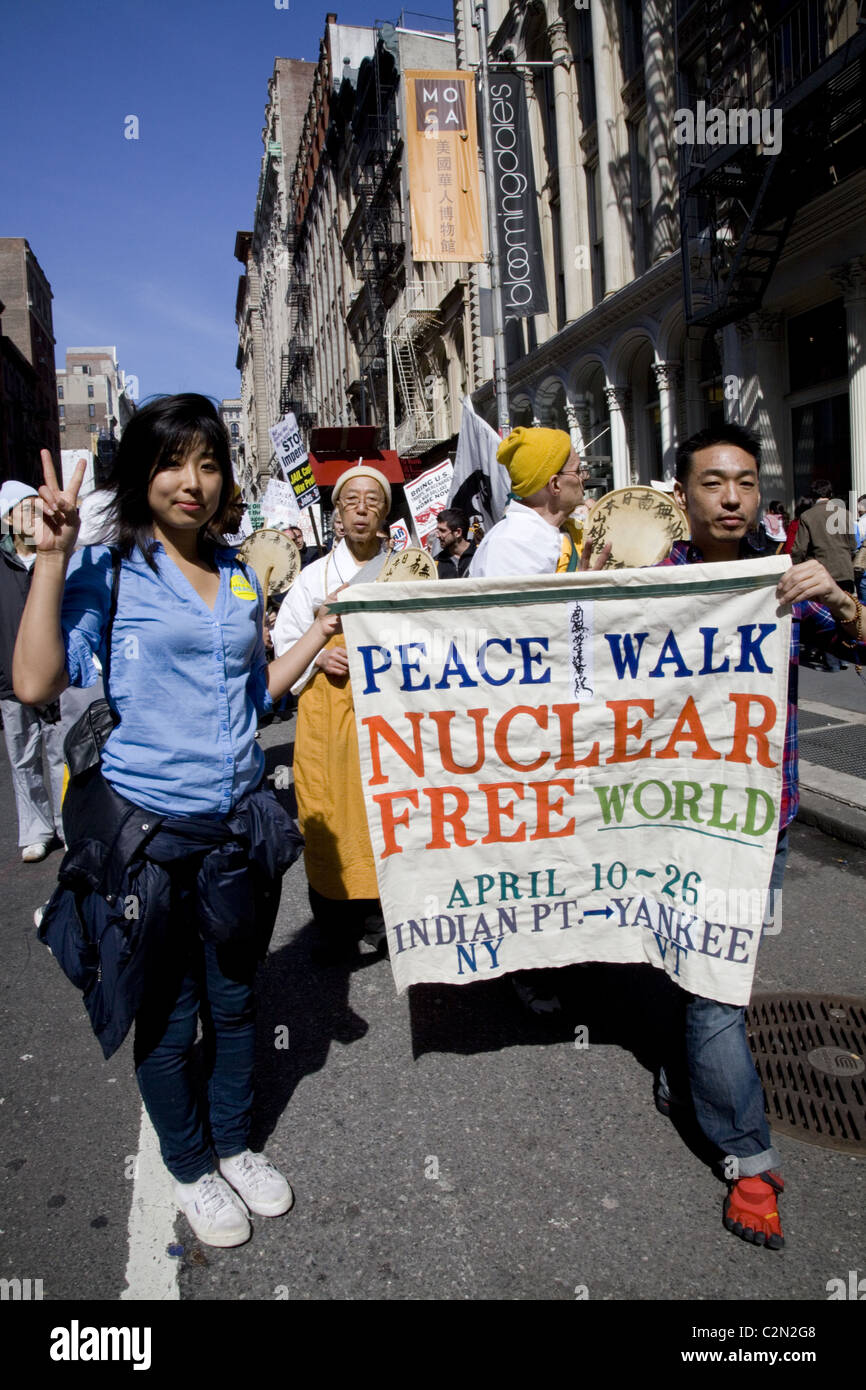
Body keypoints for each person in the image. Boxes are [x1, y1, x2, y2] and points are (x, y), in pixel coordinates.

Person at [13, 394, 340, 1250]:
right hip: (148, 841)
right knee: (166, 1014)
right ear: (139, 475)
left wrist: (315, 640)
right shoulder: (109, 572)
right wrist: (51, 561)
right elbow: (37, 684)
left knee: (235, 1003)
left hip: (235, 831)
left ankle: (233, 1143)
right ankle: (189, 1165)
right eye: (172, 462)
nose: (193, 482)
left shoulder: (236, 573)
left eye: (208, 462)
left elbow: (251, 696)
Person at [658, 423, 866, 1249]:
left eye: (746, 481)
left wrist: (843, 597)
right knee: (692, 970)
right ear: (683, 496)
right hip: (657, 819)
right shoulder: (640, 583)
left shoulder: (786, 583)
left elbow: (859, 641)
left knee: (718, 989)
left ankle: (746, 1158)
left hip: (754, 822)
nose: (734, 497)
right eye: (714, 482)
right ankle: (715, 1104)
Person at [468, 427, 609, 1014]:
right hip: (522, 729)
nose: (584, 473)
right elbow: (521, 635)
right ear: (555, 482)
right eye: (577, 466)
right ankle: (529, 968)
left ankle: (562, 950)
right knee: (530, 852)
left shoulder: (549, 534)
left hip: (559, 721)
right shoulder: (511, 545)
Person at [272, 464, 392, 960]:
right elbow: (285, 643)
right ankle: (333, 915)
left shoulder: (404, 568)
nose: (362, 509)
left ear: (384, 511)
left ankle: (382, 914)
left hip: (387, 715)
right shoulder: (314, 577)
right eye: (351, 501)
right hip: (329, 713)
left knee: (382, 813)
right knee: (330, 811)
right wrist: (318, 654)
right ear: (338, 515)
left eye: (372, 500)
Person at [0, 481, 65, 860]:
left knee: (60, 754)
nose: (34, 514)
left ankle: (65, 823)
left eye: (36, 507)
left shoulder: (51, 559)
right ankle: (36, 831)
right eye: (25, 509)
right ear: (8, 519)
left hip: (53, 677)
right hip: (10, 680)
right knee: (23, 758)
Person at [435, 508, 475, 580]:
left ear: (458, 532)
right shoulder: (435, 563)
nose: (437, 535)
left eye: (442, 531)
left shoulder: (480, 554)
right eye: (438, 530)